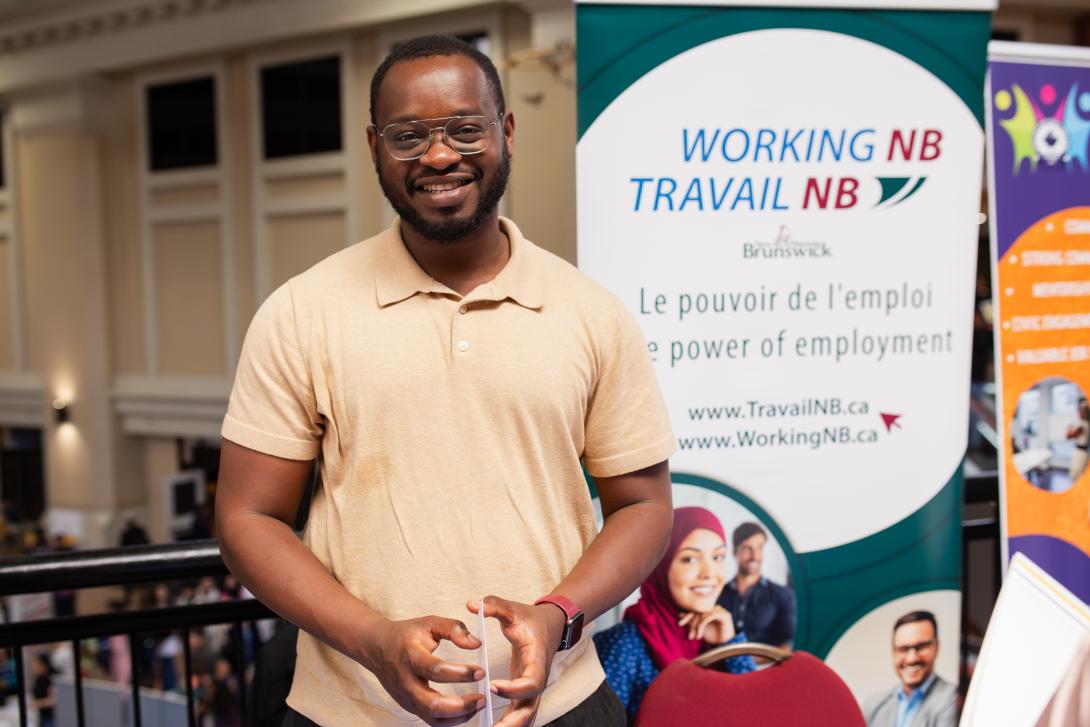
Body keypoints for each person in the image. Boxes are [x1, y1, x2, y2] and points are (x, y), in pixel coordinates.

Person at [215, 34, 675, 727]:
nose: (438, 155)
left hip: (556, 705)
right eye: (409, 136)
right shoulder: (300, 313)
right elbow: (247, 517)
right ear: (374, 147)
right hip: (351, 714)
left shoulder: (592, 314)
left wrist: (558, 616)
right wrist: (373, 638)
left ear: (506, 132)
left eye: (465, 128)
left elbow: (643, 506)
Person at [593, 507, 754, 724]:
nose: (709, 573)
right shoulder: (624, 644)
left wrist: (730, 644)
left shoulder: (718, 634)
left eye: (718, 556)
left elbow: (754, 709)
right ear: (660, 564)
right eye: (690, 559)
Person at [862, 610, 956, 727]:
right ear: (893, 653)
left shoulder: (955, 700)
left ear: (936, 648)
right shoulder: (873, 705)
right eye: (903, 649)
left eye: (921, 647)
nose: (912, 659)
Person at [716, 521, 796, 648]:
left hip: (768, 666)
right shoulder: (716, 594)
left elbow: (788, 646)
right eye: (747, 548)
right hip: (719, 666)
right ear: (734, 552)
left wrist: (744, 659)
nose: (755, 556)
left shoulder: (783, 595)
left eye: (759, 547)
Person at [30, 653, 57, 727]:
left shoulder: (52, 678)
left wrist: (37, 703)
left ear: (44, 665)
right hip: (42, 717)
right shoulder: (40, 678)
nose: (33, 669)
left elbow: (54, 700)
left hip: (52, 717)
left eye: (36, 666)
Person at [1066, 398, 1089, 482]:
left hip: (1080, 454)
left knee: (1076, 477)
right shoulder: (1086, 424)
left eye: (1081, 410)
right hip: (1083, 452)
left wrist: (1069, 428)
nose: (1079, 412)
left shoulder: (1082, 425)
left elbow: (1068, 436)